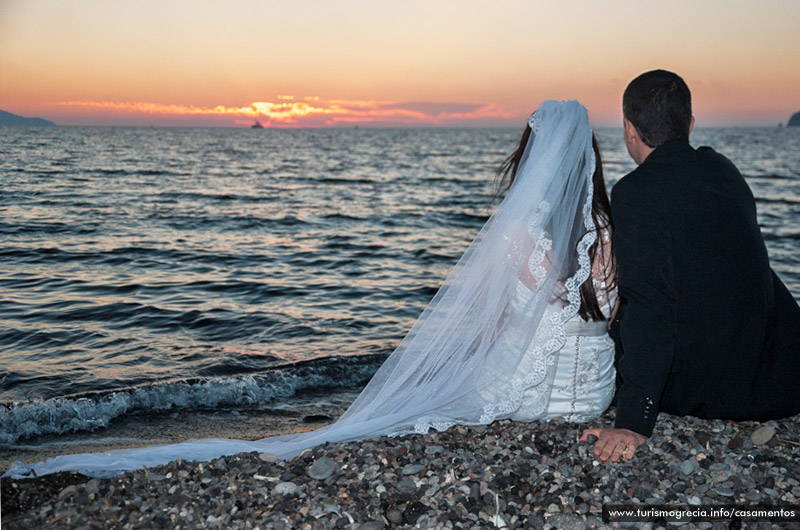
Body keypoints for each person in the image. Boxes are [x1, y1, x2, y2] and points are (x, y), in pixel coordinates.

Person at [5, 100, 617, 479]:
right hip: (594, 392)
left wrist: (463, 370)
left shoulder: (518, 238)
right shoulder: (610, 233)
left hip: (536, 399)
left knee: (439, 398)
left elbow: (488, 326)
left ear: (534, 161)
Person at [580, 69, 800, 463]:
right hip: (776, 373)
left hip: (713, 385)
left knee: (598, 338)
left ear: (629, 129)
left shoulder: (635, 190)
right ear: (691, 124)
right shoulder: (723, 171)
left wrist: (634, 419)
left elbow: (651, 305)